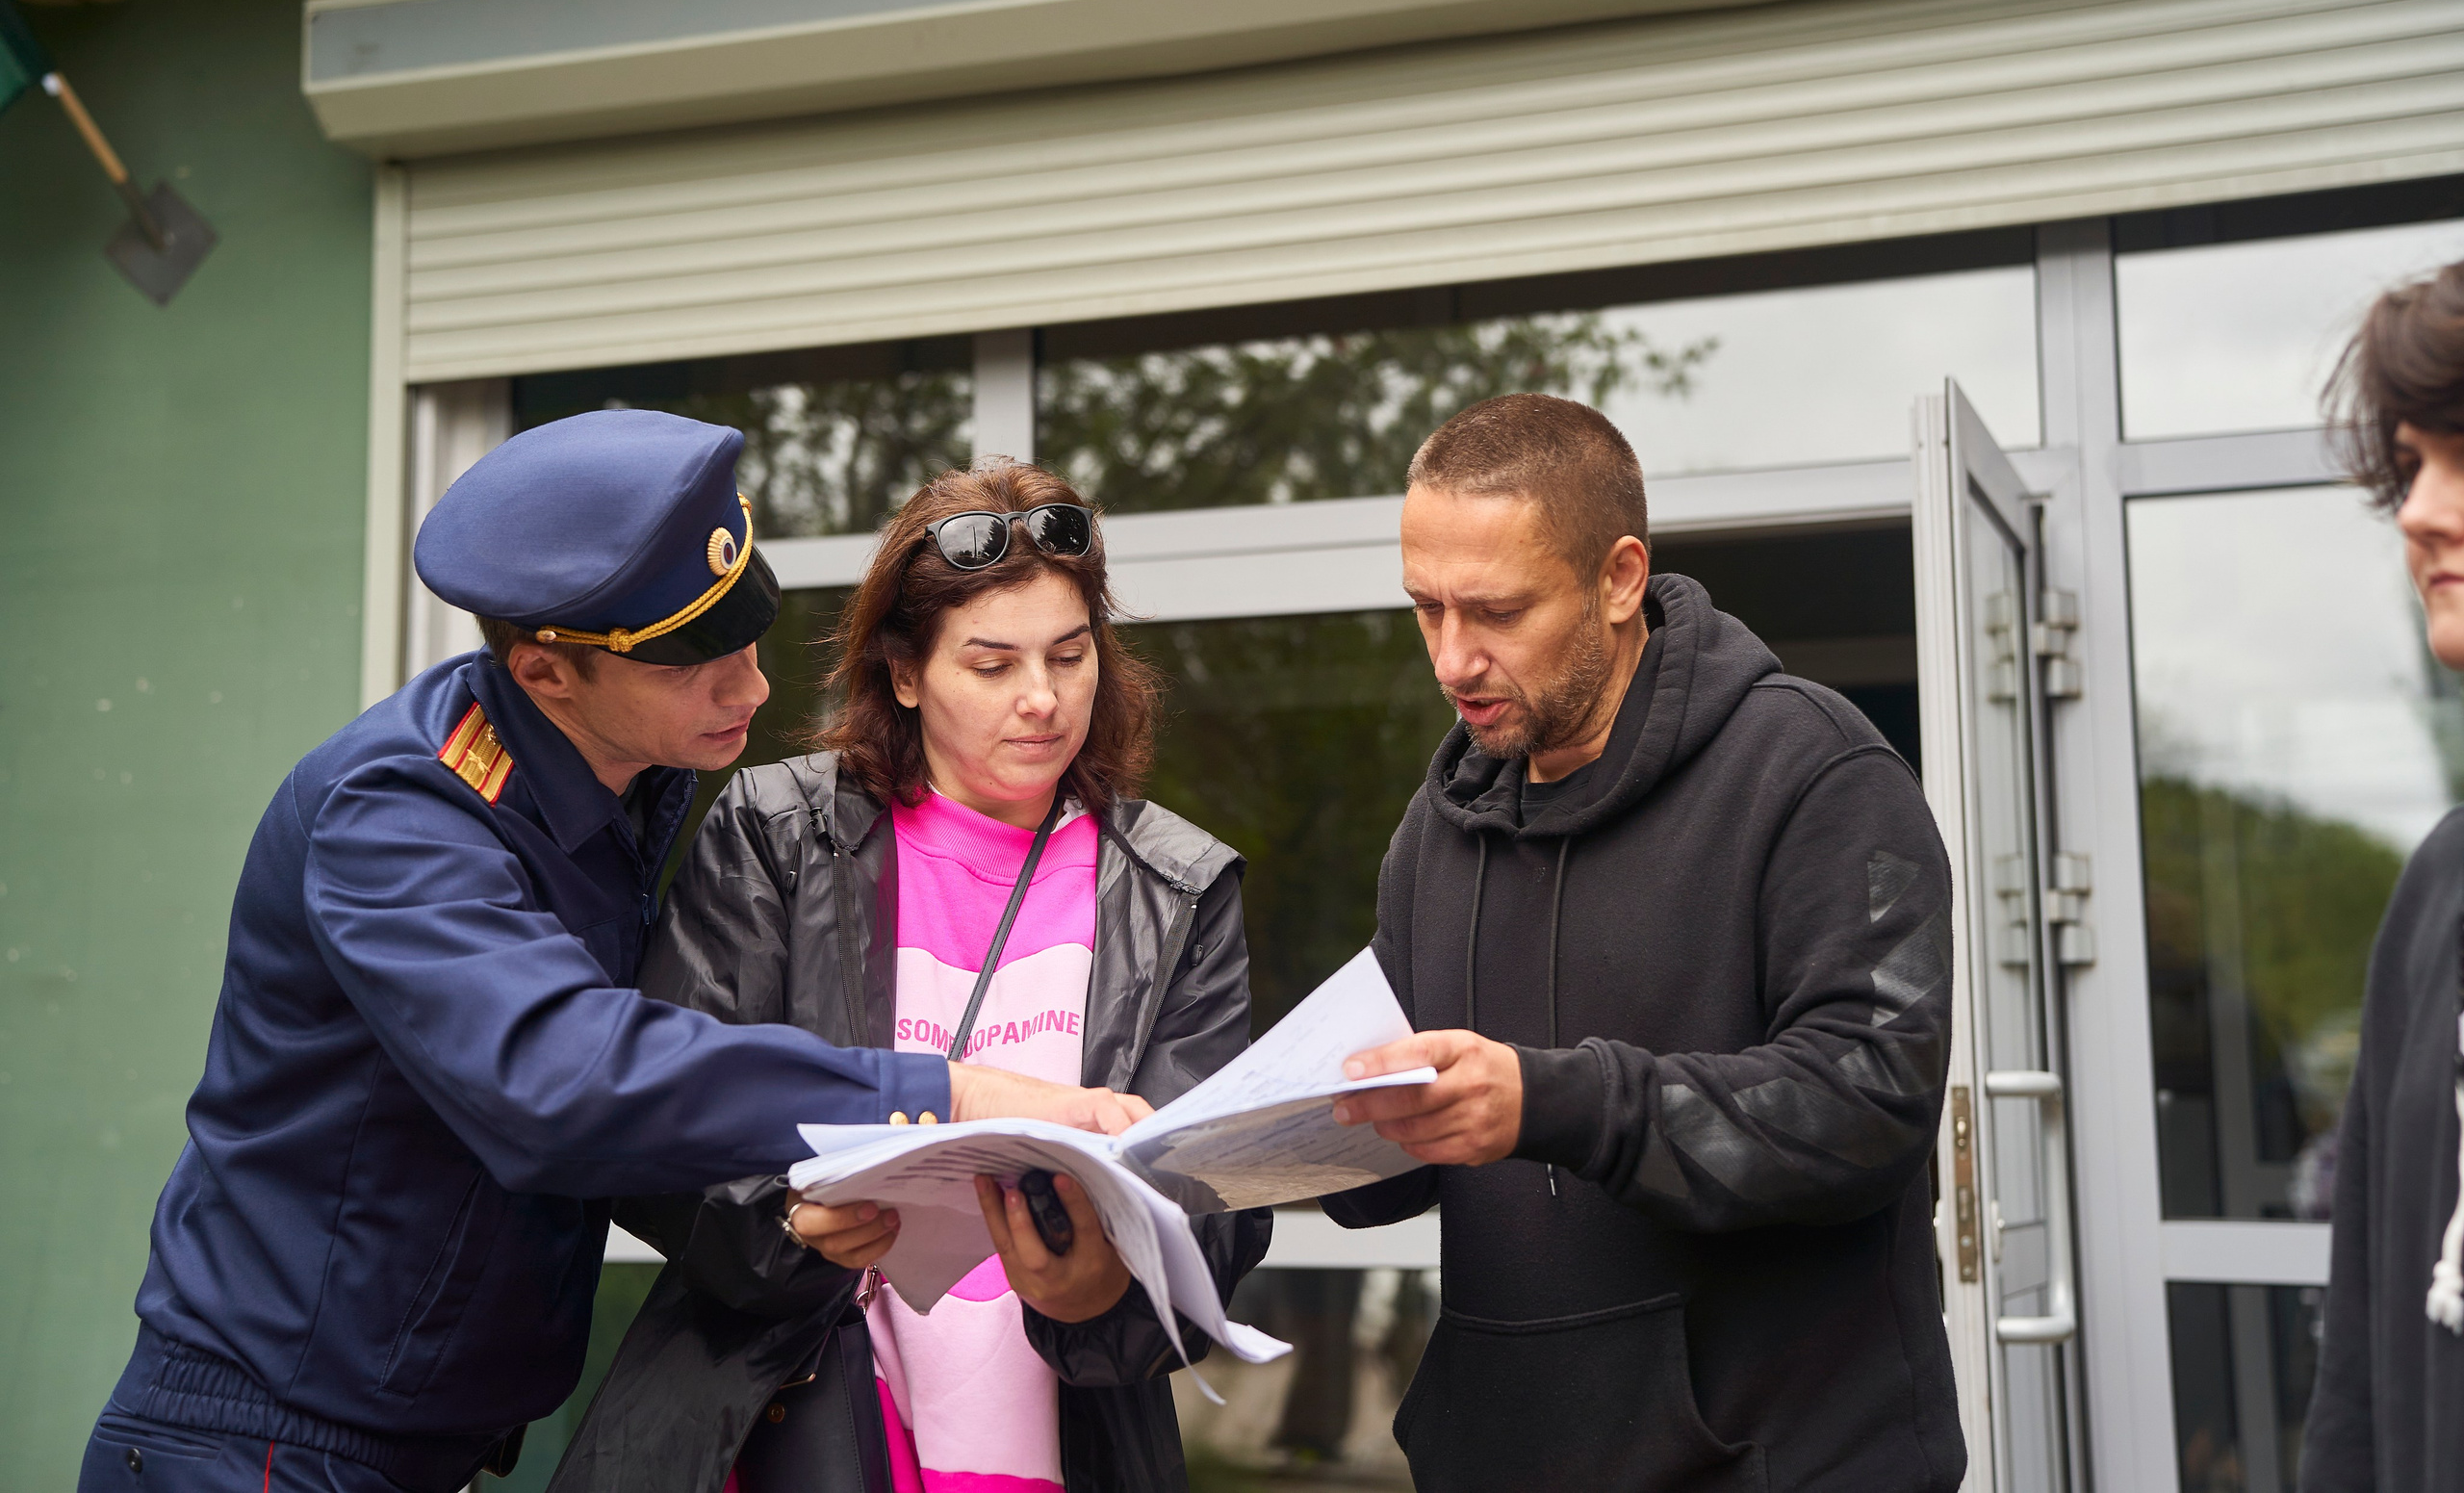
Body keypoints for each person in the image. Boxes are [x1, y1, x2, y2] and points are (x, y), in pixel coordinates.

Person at [78, 413, 1133, 1493]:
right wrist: (940, 1094)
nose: (752, 690)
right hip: (262, 1445)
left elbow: (677, 1087)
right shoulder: (397, 814)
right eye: (696, 667)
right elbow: (569, 1078)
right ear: (545, 674)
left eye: (747, 639)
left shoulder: (634, 773)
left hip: (417, 1445)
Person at [552, 461, 1270, 1493]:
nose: (1041, 699)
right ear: (902, 672)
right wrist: (785, 1222)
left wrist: (1101, 1286)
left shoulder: (1177, 885)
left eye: (1070, 656)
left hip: (1065, 1435)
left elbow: (1214, 1191)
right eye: (990, 665)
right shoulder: (778, 835)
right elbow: (661, 1122)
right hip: (800, 1416)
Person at [1322, 394, 1964, 1491]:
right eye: (1424, 609)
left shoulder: (1816, 778)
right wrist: (1280, 1138)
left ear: (1619, 579)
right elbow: (1391, 1153)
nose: (1451, 658)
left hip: (1783, 1464)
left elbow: (1870, 1101)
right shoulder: (1440, 828)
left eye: (1495, 611)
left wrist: (1554, 1102)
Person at [2300, 262, 2464, 1491]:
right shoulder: (2438, 891)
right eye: (2411, 465)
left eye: (2462, 457)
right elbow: (2362, 1345)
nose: (2416, 511)